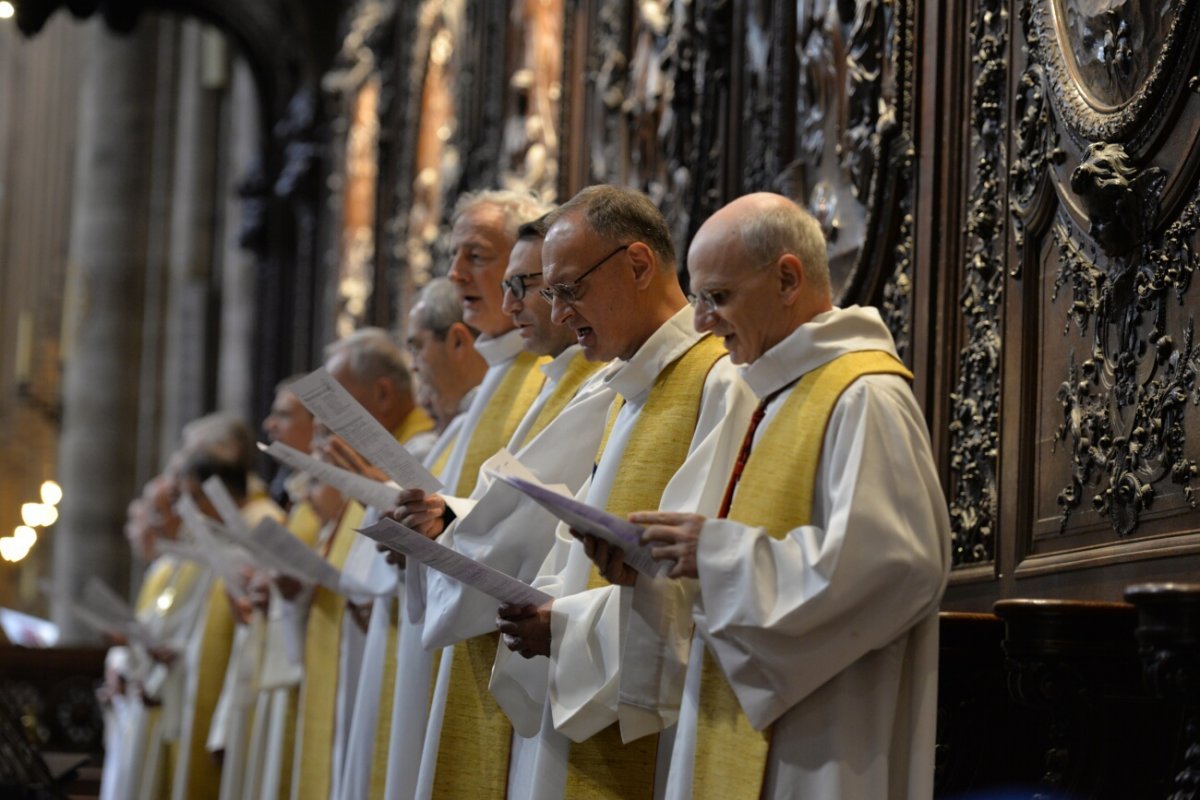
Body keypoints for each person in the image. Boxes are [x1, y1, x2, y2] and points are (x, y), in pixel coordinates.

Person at [630, 192, 950, 798]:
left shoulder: (864, 395)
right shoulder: (772, 396)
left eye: (717, 297)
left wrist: (717, 555)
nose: (701, 322)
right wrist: (656, 563)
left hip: (825, 735)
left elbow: (898, 563)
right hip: (751, 719)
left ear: (786, 278)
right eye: (698, 299)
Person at [491, 184, 757, 799]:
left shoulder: (720, 381)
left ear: (637, 264)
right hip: (578, 689)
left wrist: (566, 626)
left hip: (660, 725)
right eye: (550, 294)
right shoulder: (623, 390)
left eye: (568, 289)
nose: (558, 314)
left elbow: (700, 582)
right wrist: (545, 608)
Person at [387, 212, 616, 799]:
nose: (513, 304)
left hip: (563, 643)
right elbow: (508, 505)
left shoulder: (596, 380)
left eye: (525, 285)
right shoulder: (545, 377)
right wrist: (443, 520)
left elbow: (534, 517)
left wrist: (450, 522)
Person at [292, 328, 436, 800]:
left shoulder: (419, 452)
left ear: (382, 393)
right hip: (363, 647)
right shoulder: (370, 461)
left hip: (399, 643)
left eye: (336, 402)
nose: (325, 421)